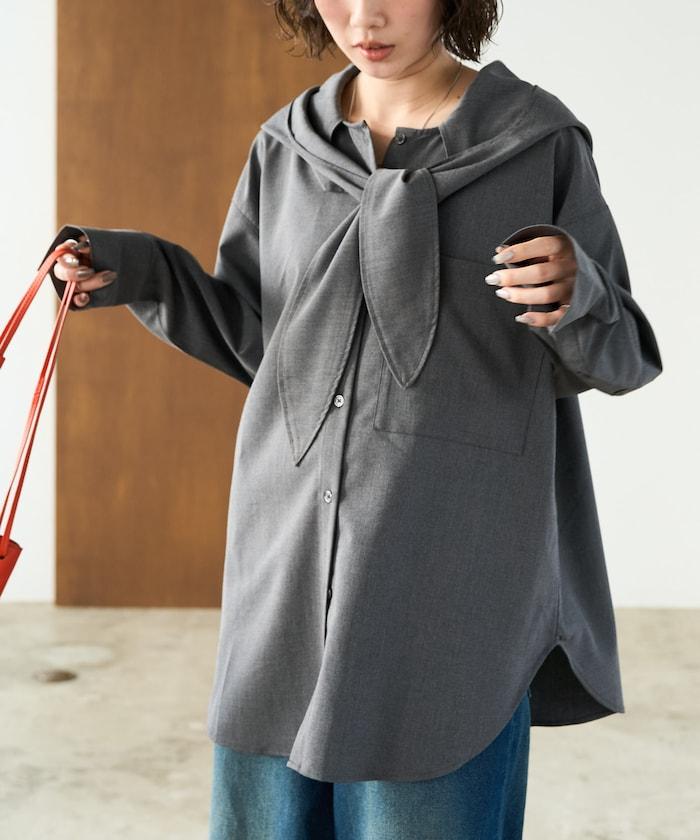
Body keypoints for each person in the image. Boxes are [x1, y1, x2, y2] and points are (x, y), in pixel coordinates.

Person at [46, 1, 663, 837]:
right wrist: (138, 268)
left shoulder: (535, 143)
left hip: (449, 574)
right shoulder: (286, 147)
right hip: (289, 556)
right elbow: (262, 341)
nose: (363, 16)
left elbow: (623, 358)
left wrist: (577, 290)